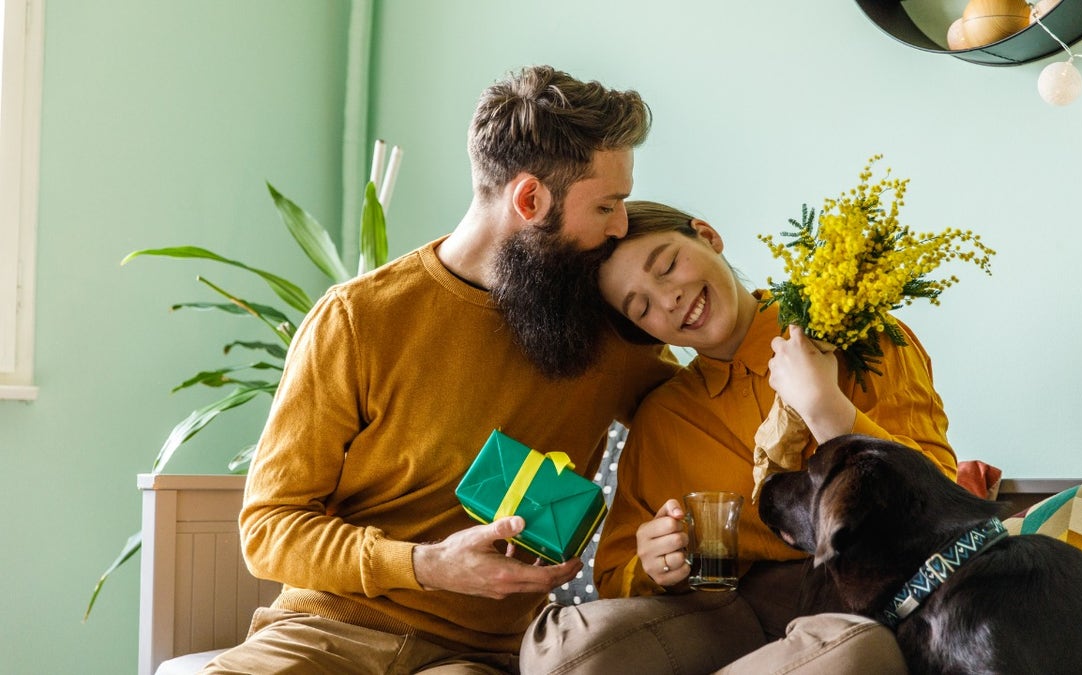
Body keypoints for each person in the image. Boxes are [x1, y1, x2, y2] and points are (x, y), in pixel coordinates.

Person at [201, 67, 679, 675]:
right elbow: (269, 529)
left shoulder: (608, 330)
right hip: (329, 627)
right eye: (607, 205)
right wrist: (429, 565)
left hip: (481, 653)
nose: (620, 226)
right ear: (530, 200)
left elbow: (700, 413)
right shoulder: (358, 319)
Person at [520, 201, 957, 674]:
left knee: (849, 654)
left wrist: (827, 410)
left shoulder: (857, 338)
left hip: (870, 607)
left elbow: (942, 507)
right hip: (733, 617)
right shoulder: (663, 420)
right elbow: (615, 575)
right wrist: (650, 564)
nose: (668, 300)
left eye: (666, 266)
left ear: (707, 236)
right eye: (641, 307)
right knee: (560, 650)